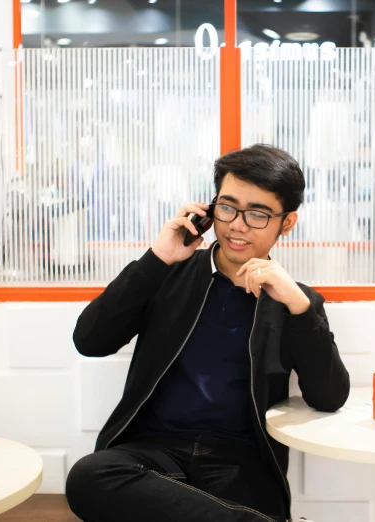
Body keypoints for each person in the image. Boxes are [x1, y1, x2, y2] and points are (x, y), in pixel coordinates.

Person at [66, 144, 351, 522]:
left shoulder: (294, 300)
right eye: (228, 207)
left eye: (258, 214)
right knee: (90, 476)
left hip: (242, 462)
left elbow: (329, 397)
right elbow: (90, 341)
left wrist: (299, 307)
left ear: (287, 222)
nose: (237, 224)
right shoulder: (168, 272)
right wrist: (157, 258)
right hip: (154, 453)